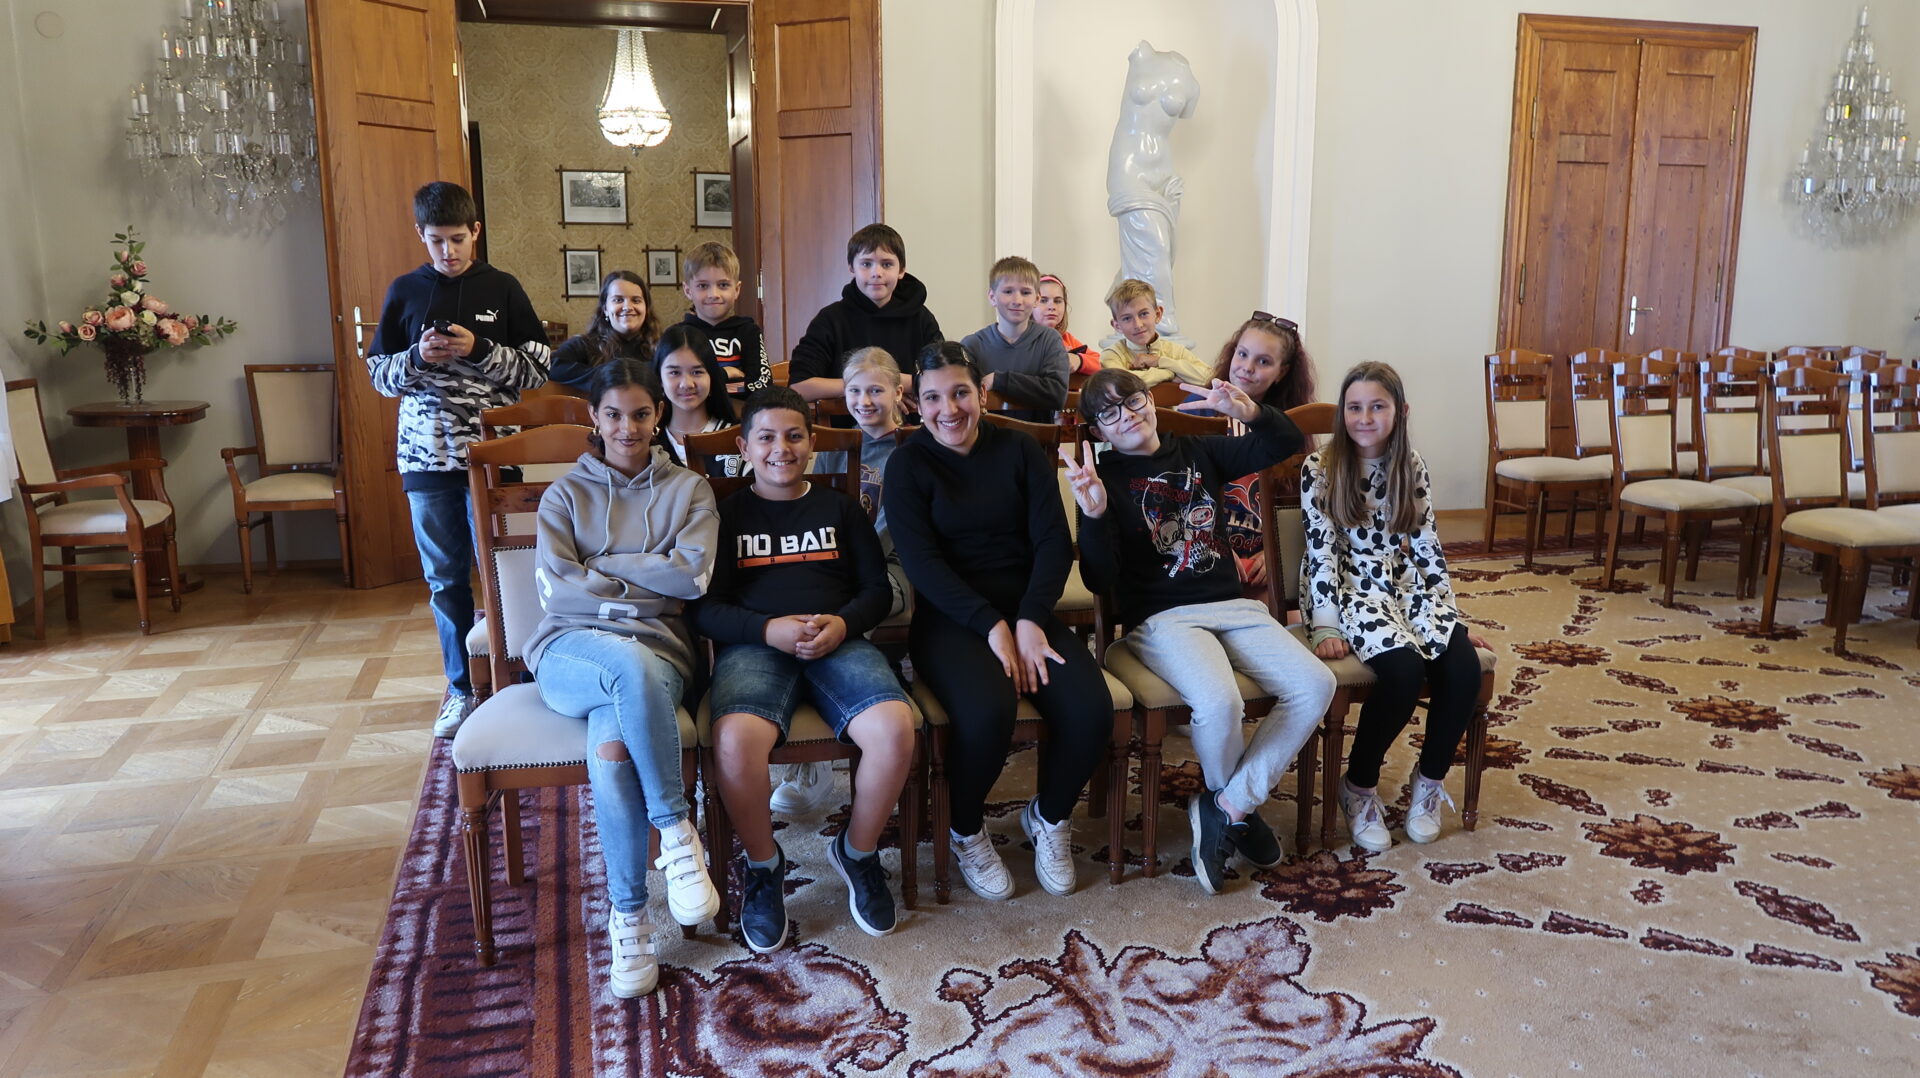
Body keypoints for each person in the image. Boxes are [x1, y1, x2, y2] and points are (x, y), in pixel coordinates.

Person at [1066, 369, 1333, 893]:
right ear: (1098, 431)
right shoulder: (1103, 480)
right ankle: (1238, 811)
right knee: (1219, 702)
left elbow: (1282, 441)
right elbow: (1099, 579)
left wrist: (1248, 411)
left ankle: (1228, 805)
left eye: (1134, 401)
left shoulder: (1197, 451)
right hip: (1163, 619)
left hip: (1233, 607)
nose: (1128, 416)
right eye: (1110, 414)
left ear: (1150, 401)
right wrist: (1094, 516)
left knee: (1315, 683)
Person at [522, 358, 722, 999]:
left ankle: (629, 915)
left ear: (659, 414)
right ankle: (677, 832)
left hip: (660, 653)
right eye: (613, 414)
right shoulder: (563, 495)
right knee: (623, 664)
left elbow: (691, 578)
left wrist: (603, 568)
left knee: (611, 755)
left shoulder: (689, 489)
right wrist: (643, 584)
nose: (627, 428)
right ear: (594, 417)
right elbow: (558, 590)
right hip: (569, 651)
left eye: (640, 414)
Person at [887, 342, 1114, 900]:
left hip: (1028, 612)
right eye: (933, 398)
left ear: (982, 394)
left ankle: (1049, 816)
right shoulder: (908, 464)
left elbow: (1052, 542)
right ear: (917, 403)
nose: (948, 409)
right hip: (953, 621)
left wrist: (1030, 620)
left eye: (960, 393)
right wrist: (992, 625)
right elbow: (922, 564)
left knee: (1091, 709)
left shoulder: (1020, 449)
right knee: (989, 711)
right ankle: (965, 827)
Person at [693, 387, 918, 951]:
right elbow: (704, 608)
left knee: (894, 727)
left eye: (795, 436)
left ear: (812, 444)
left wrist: (844, 623)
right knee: (735, 739)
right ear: (744, 447)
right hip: (755, 645)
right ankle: (764, 865)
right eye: (766, 437)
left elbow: (876, 589)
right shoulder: (725, 514)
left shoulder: (840, 508)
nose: (782, 448)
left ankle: (858, 852)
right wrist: (766, 629)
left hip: (838, 639)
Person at [364, 180, 549, 739]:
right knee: (445, 580)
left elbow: (538, 370)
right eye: (436, 240)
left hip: (494, 458)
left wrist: (480, 349)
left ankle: (522, 678)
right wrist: (417, 357)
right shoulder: (404, 291)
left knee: (510, 570)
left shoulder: (503, 287)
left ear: (476, 233)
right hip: (425, 459)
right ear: (420, 235)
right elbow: (380, 378)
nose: (448, 251)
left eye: (458, 240)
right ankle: (462, 689)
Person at [1302, 361, 1491, 852]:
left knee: (1463, 667)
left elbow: (1427, 546)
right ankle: (1358, 786)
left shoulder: (1411, 464)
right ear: (1342, 412)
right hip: (1349, 589)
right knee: (1404, 673)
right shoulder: (1320, 466)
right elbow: (1321, 551)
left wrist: (1449, 617)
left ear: (1400, 412)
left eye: (1377, 407)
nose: (1364, 418)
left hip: (1405, 587)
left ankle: (1428, 781)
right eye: (1354, 407)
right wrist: (1324, 625)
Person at [773, 347, 914, 816]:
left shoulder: (911, 449)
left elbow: (893, 536)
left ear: (898, 393)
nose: (864, 401)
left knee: (840, 614)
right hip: (837, 566)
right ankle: (811, 748)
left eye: (876, 390)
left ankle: (818, 752)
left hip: (892, 568)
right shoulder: (832, 447)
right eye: (855, 390)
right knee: (800, 604)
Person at [1209, 312, 1318, 597]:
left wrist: (1275, 553)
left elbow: (1299, 504)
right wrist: (1214, 546)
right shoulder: (1201, 411)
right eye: (1242, 354)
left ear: (1282, 372)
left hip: (1265, 563)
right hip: (1209, 556)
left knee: (1289, 617)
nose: (1247, 367)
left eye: (1264, 361)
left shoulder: (1288, 428)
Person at [789, 223, 944, 404]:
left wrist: (896, 385)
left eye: (887, 264)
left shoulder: (921, 317)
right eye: (866, 264)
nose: (876, 273)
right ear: (851, 268)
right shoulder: (830, 319)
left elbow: (943, 379)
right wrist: (876, 387)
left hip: (909, 421)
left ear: (901, 270)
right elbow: (799, 387)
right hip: (848, 422)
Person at [959, 256, 1071, 421]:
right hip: (986, 436)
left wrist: (999, 380)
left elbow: (1057, 395)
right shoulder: (972, 345)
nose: (1017, 300)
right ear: (992, 297)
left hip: (1037, 436)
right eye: (1008, 291)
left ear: (1036, 299)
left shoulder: (1049, 340)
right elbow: (960, 398)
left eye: (1025, 292)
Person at [677, 241, 769, 395]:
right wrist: (725, 374)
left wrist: (708, 386)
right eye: (703, 286)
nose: (713, 294)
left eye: (723, 285)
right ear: (688, 290)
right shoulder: (677, 336)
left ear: (737, 290)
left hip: (741, 410)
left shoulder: (749, 332)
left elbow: (763, 384)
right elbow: (675, 385)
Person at [654, 323, 744, 476]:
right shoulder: (649, 442)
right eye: (675, 372)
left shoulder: (739, 437)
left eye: (697, 372)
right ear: (660, 379)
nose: (687, 384)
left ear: (711, 376)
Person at [549, 270, 661, 390]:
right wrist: (610, 376)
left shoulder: (663, 346)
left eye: (636, 300)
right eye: (618, 300)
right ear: (605, 309)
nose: (628, 307)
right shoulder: (585, 344)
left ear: (646, 308)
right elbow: (552, 366)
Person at [1100, 278, 1210, 388]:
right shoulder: (1112, 355)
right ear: (1117, 326)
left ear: (1158, 314)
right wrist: (1168, 373)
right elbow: (1121, 384)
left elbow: (1210, 377)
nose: (1138, 325)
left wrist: (1159, 361)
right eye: (1127, 318)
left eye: (1143, 314)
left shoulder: (1175, 351)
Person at [1036, 274, 1102, 376]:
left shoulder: (1066, 338)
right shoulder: (1023, 337)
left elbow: (1101, 363)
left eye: (1058, 301)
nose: (1052, 307)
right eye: (1043, 300)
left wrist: (1079, 360)